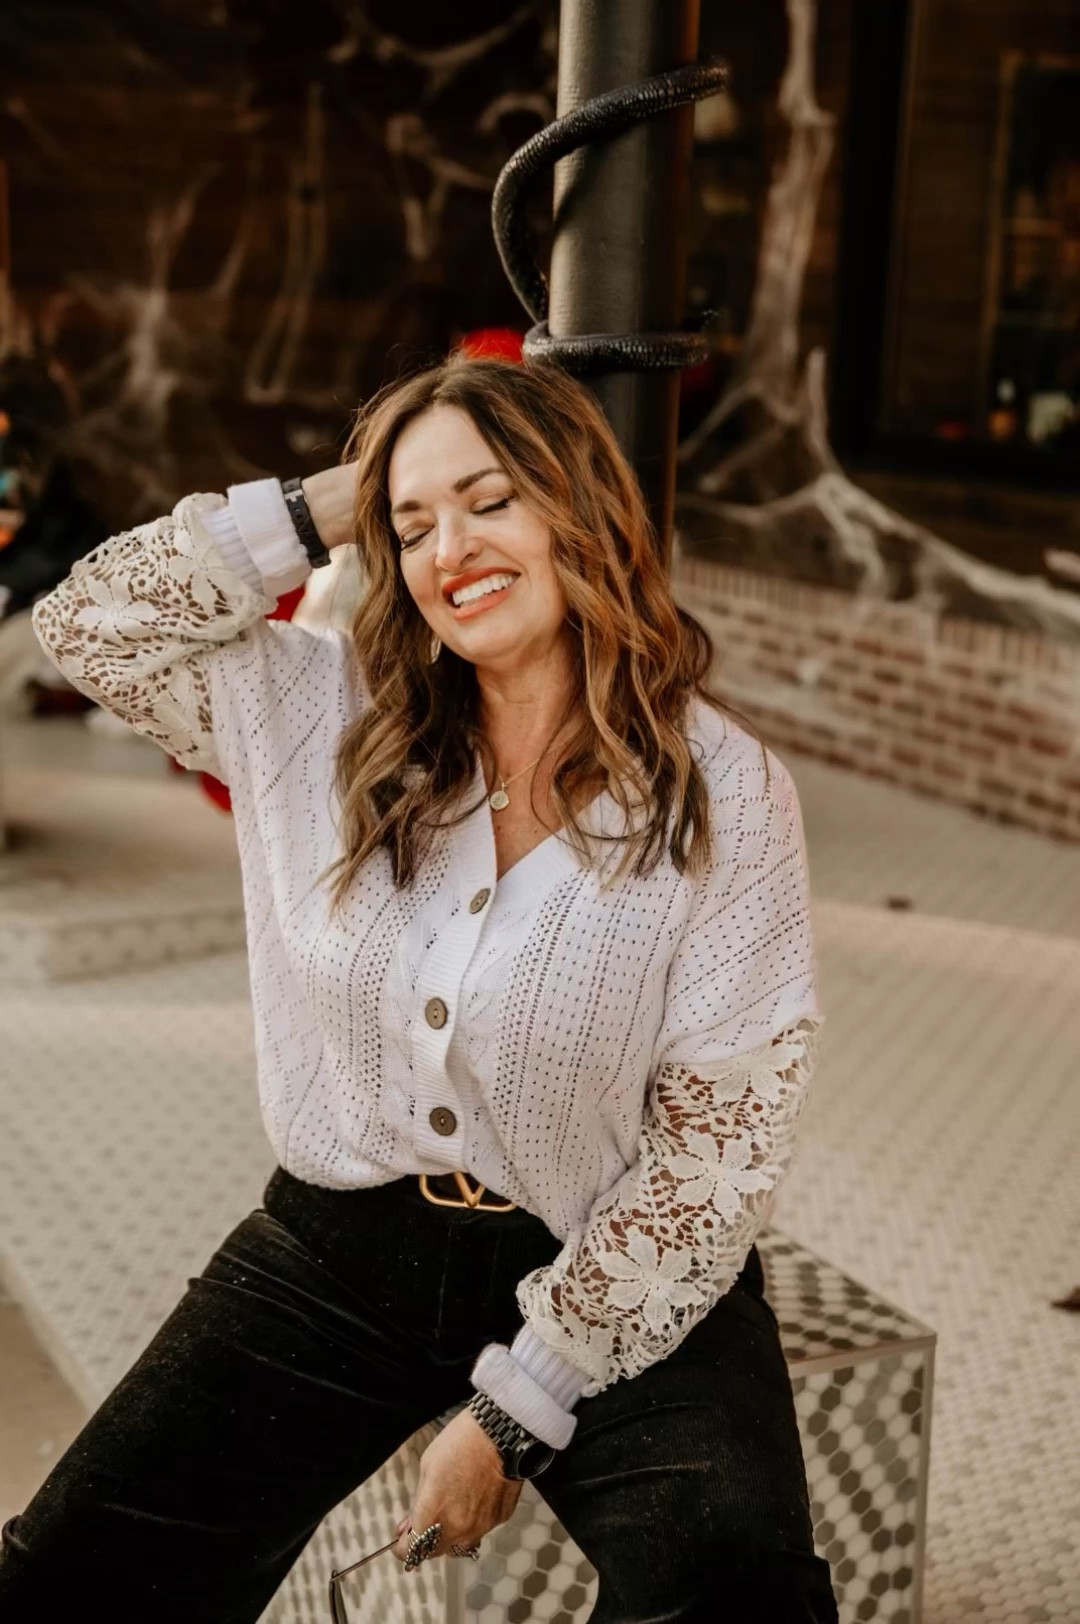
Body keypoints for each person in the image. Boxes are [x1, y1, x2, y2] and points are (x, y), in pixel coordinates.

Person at [0, 355, 838, 1624]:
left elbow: (718, 1150)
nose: (451, 548)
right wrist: (343, 497)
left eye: (494, 499)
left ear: (580, 508)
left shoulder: (721, 792)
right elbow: (90, 622)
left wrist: (520, 1405)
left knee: (735, 1589)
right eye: (413, 524)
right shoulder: (322, 708)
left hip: (600, 1234)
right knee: (71, 1580)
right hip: (340, 1242)